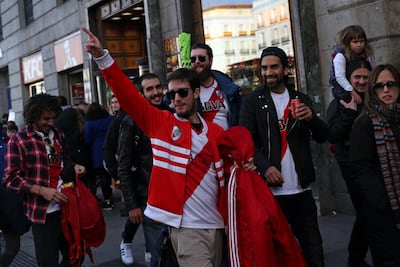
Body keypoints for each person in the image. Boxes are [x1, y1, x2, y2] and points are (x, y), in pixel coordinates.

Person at [83, 26, 253, 266]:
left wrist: (247, 165)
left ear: (196, 93)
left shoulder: (215, 133)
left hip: (217, 225)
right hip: (185, 230)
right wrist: (103, 57)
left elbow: (230, 172)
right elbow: (127, 96)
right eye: (171, 95)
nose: (176, 99)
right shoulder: (160, 123)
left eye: (182, 92)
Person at [239, 47, 327, 267]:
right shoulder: (252, 101)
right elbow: (245, 140)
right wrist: (266, 167)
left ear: (286, 69)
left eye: (274, 67)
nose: (268, 72)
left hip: (302, 191)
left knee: (313, 251)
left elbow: (323, 135)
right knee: (277, 254)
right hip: (270, 194)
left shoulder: (300, 98)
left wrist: (311, 120)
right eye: (264, 68)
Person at [3, 93, 86, 267]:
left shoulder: (58, 134)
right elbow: (10, 179)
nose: (51, 122)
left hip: (67, 207)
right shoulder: (18, 141)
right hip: (43, 215)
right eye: (46, 119)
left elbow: (63, 159)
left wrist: (74, 166)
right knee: (48, 263)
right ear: (33, 118)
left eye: (53, 117)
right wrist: (42, 191)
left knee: (76, 255)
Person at [118, 72, 174, 266]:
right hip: (147, 196)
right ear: (141, 94)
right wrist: (132, 205)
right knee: (158, 252)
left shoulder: (171, 114)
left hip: (173, 195)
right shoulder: (131, 121)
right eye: (150, 89)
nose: (156, 92)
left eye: (158, 87)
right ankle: (127, 240)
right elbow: (123, 166)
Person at [348, 64, 400, 267]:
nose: (386, 90)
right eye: (379, 86)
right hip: (383, 210)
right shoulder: (365, 123)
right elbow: (359, 168)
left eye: (390, 84)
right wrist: (382, 201)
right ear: (373, 90)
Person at [327, 58, 372, 267]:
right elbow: (332, 134)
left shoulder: (374, 99)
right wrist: (349, 112)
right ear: (349, 78)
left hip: (373, 164)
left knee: (370, 212)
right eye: (357, 77)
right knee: (365, 211)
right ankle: (355, 258)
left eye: (365, 77)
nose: (362, 81)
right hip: (351, 166)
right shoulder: (339, 102)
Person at [190, 43, 241, 130]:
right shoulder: (187, 89)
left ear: (210, 60)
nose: (197, 62)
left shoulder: (226, 86)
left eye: (201, 58)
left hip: (227, 140)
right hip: (202, 141)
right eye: (193, 59)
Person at [329, 25, 373, 103]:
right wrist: (352, 92)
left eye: (361, 41)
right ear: (347, 42)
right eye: (355, 42)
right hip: (343, 90)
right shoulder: (340, 56)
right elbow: (340, 77)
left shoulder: (364, 55)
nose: (359, 45)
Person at [84, 102, 114, 210]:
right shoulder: (109, 118)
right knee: (113, 173)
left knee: (103, 177)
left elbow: (87, 139)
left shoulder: (89, 123)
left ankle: (108, 199)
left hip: (97, 152)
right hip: (111, 148)